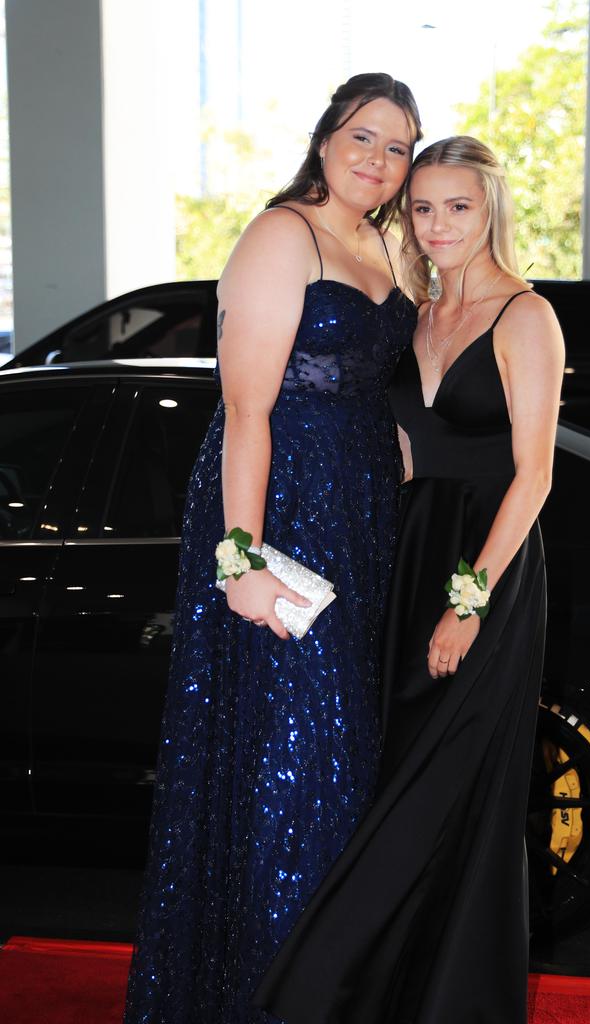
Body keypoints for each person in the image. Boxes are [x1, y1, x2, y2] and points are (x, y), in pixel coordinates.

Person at [123, 73, 422, 1024]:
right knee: (302, 769)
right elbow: (246, 410)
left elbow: (387, 394)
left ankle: (327, 992)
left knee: (346, 767)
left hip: (364, 523)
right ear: (327, 136)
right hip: (282, 517)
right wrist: (238, 561)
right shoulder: (281, 233)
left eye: (399, 147)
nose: (379, 159)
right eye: (364, 137)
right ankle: (271, 1000)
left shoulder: (381, 243)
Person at [255, 136, 565, 1023]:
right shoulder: (419, 316)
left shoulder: (526, 316)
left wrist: (469, 603)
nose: (437, 226)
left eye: (457, 207)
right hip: (408, 555)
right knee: (397, 783)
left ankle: (345, 992)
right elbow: (390, 451)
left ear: (490, 208)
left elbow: (533, 475)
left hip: (487, 570)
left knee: (447, 790)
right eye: (422, 208)